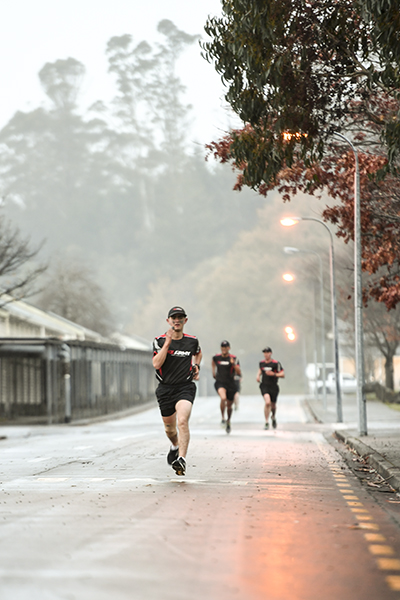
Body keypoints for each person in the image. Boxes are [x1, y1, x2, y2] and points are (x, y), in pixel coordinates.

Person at [152, 306, 202, 476]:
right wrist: (167, 343)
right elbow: (156, 364)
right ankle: (175, 445)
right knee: (170, 430)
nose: (177, 320)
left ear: (185, 321)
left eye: (180, 317)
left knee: (182, 421)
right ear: (168, 321)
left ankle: (181, 459)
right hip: (165, 389)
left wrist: (196, 366)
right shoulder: (159, 341)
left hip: (184, 387)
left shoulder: (192, 341)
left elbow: (198, 353)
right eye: (174, 318)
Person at [212, 340, 242, 434]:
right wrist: (213, 372)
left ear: (229, 348)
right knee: (223, 398)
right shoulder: (217, 357)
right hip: (220, 382)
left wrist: (233, 364)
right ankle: (223, 417)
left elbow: (239, 372)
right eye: (222, 347)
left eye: (226, 347)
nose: (224, 349)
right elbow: (213, 363)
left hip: (231, 383)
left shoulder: (233, 358)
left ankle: (228, 421)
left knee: (229, 406)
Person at [256, 347, 285, 429]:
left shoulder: (276, 363)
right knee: (267, 402)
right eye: (264, 353)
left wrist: (274, 374)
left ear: (270, 353)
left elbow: (282, 374)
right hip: (264, 385)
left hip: (273, 386)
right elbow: (260, 370)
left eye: (267, 352)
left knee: (273, 405)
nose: (266, 354)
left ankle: (273, 416)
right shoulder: (261, 363)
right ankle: (266, 421)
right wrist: (258, 376)